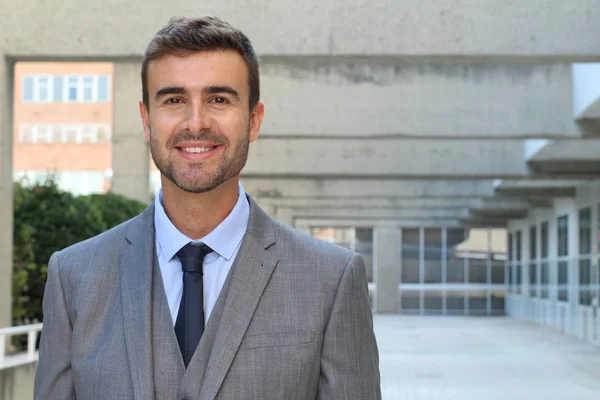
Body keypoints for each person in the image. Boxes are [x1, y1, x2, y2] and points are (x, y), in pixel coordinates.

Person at [34, 16, 381, 400]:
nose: (196, 123)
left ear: (254, 120)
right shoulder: (74, 276)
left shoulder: (331, 280)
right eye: (174, 100)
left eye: (218, 99)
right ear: (147, 121)